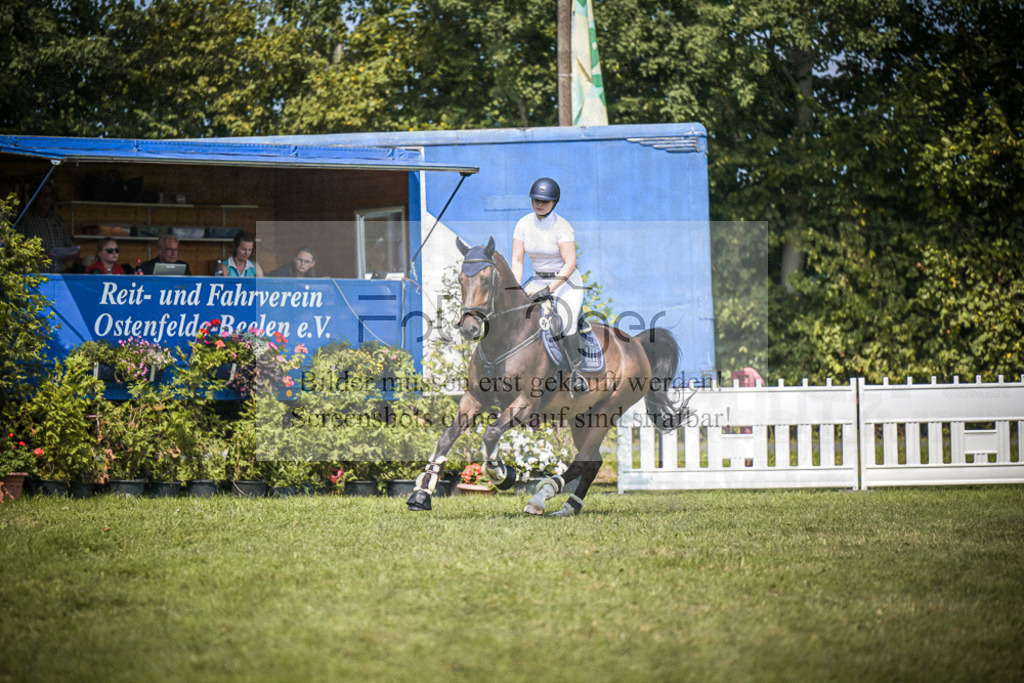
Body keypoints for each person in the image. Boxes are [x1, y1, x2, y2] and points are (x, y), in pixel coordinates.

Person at [510, 177, 588, 394]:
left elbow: (570, 263)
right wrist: (516, 289)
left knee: (566, 321)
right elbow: (517, 261)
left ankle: (576, 373)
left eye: (544, 201)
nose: (539, 204)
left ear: (554, 202)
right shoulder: (523, 224)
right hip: (537, 279)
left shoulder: (562, 227)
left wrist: (549, 290)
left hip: (565, 281)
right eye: (536, 200)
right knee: (516, 316)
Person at [14, 182, 76, 273]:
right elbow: (16, 248)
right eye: (42, 194)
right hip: (35, 276)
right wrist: (36, 256)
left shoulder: (57, 220)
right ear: (34, 196)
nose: (46, 198)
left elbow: (69, 245)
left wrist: (72, 253)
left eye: (49, 195)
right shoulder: (24, 219)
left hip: (59, 275)